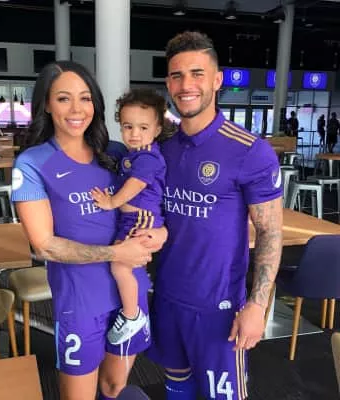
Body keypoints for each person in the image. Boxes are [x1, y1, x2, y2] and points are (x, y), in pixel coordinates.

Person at [11, 61, 167, 400]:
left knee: (114, 387)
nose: (76, 109)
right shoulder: (33, 163)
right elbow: (44, 245)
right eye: (63, 98)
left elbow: (152, 202)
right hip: (80, 302)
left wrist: (162, 234)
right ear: (46, 105)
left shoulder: (116, 154)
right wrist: (116, 253)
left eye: (85, 98)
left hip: (130, 295)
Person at [147, 31, 283, 399]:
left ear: (217, 80)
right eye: (177, 76)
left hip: (219, 309)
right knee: (177, 389)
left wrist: (257, 305)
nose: (186, 85)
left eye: (197, 74)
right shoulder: (161, 148)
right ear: (168, 84)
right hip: (168, 299)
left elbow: (270, 232)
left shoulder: (250, 151)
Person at [91, 88, 169, 346]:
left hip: (141, 219)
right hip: (131, 219)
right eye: (128, 126)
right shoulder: (132, 153)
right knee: (126, 264)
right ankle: (132, 310)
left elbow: (136, 184)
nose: (134, 133)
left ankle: (132, 314)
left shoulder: (147, 157)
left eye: (143, 128)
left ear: (157, 129)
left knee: (120, 264)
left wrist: (112, 202)